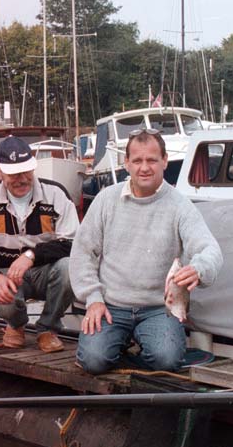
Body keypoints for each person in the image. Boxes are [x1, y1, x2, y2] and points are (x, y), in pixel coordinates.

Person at [69, 129, 224, 374]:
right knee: (93, 361)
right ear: (126, 163)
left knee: (166, 361)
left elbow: (210, 249)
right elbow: (82, 254)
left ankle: (127, 354)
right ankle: (113, 348)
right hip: (111, 305)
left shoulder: (179, 205)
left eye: (152, 160)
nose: (145, 168)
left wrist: (198, 268)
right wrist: (93, 300)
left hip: (158, 308)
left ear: (164, 161)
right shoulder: (106, 200)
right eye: (137, 161)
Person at [0, 136, 78, 352]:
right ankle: (16, 325)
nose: (21, 179)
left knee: (70, 268)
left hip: (46, 271)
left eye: (26, 171)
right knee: (4, 300)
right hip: (5, 273)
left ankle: (48, 328)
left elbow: (72, 242)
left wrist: (31, 256)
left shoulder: (56, 194)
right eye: (13, 174)